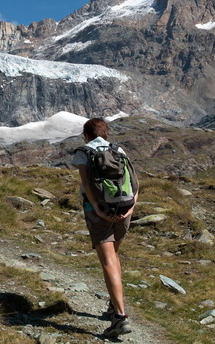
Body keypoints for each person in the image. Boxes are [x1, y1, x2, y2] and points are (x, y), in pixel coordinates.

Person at [71, 118, 138, 338]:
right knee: (115, 256)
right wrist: (131, 207)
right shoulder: (118, 149)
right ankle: (113, 305)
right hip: (124, 208)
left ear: (85, 134)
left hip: (98, 210)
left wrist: (98, 210)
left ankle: (119, 317)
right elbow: (134, 182)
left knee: (108, 260)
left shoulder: (83, 152)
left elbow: (87, 185)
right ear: (106, 133)